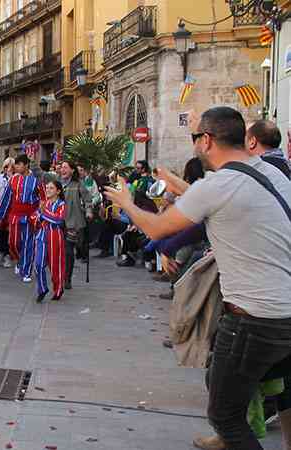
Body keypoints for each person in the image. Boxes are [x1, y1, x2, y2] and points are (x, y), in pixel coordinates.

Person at [105, 106, 291, 450]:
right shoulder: (270, 173)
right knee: (280, 392)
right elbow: (215, 200)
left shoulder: (220, 184)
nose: (194, 147)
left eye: (194, 138)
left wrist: (126, 203)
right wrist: (177, 182)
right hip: (285, 310)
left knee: (225, 415)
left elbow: (158, 228)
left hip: (254, 318)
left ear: (206, 140)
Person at [0, 154, 43, 283]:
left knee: (28, 243)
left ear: (26, 165)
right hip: (15, 216)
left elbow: (43, 199)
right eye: (15, 164)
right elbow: (6, 198)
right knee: (13, 243)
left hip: (30, 216)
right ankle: (19, 260)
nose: (16, 167)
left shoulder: (36, 180)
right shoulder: (13, 180)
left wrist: (38, 214)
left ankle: (26, 271)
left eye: (18, 164)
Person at [59, 160, 92, 289]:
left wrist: (89, 211)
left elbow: (88, 199)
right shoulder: (56, 183)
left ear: (72, 170)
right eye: (62, 167)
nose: (63, 170)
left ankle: (67, 278)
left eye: (66, 167)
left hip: (73, 223)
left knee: (68, 251)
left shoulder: (78, 184)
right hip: (57, 221)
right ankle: (59, 274)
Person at [32, 180, 66, 302]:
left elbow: (58, 220)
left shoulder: (61, 204)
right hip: (41, 235)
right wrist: (38, 217)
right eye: (47, 188)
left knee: (55, 265)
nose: (48, 190)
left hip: (55, 235)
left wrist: (42, 214)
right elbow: (35, 218)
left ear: (58, 191)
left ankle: (58, 288)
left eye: (51, 188)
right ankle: (42, 289)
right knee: (38, 264)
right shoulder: (44, 203)